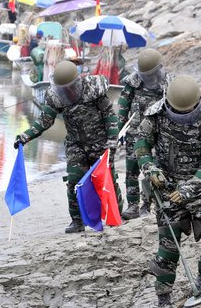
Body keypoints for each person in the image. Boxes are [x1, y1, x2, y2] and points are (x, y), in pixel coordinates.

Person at [135, 75, 201, 308]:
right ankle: (164, 301)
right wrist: (150, 169)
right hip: (166, 186)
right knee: (168, 248)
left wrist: (193, 185)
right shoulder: (155, 115)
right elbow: (142, 146)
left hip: (199, 185)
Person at [14, 61, 123, 233]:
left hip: (100, 143)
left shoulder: (93, 89)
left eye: (70, 88)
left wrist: (112, 140)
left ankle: (116, 213)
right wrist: (25, 136)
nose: (67, 92)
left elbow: (109, 115)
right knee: (74, 181)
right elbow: (45, 121)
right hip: (75, 144)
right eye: (63, 89)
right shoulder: (56, 96)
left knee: (106, 179)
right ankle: (77, 221)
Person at [118, 48, 170, 221]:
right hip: (134, 134)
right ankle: (132, 205)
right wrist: (116, 133)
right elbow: (122, 109)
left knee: (152, 169)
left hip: (158, 135)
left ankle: (147, 205)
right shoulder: (132, 82)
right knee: (131, 170)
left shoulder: (168, 84)